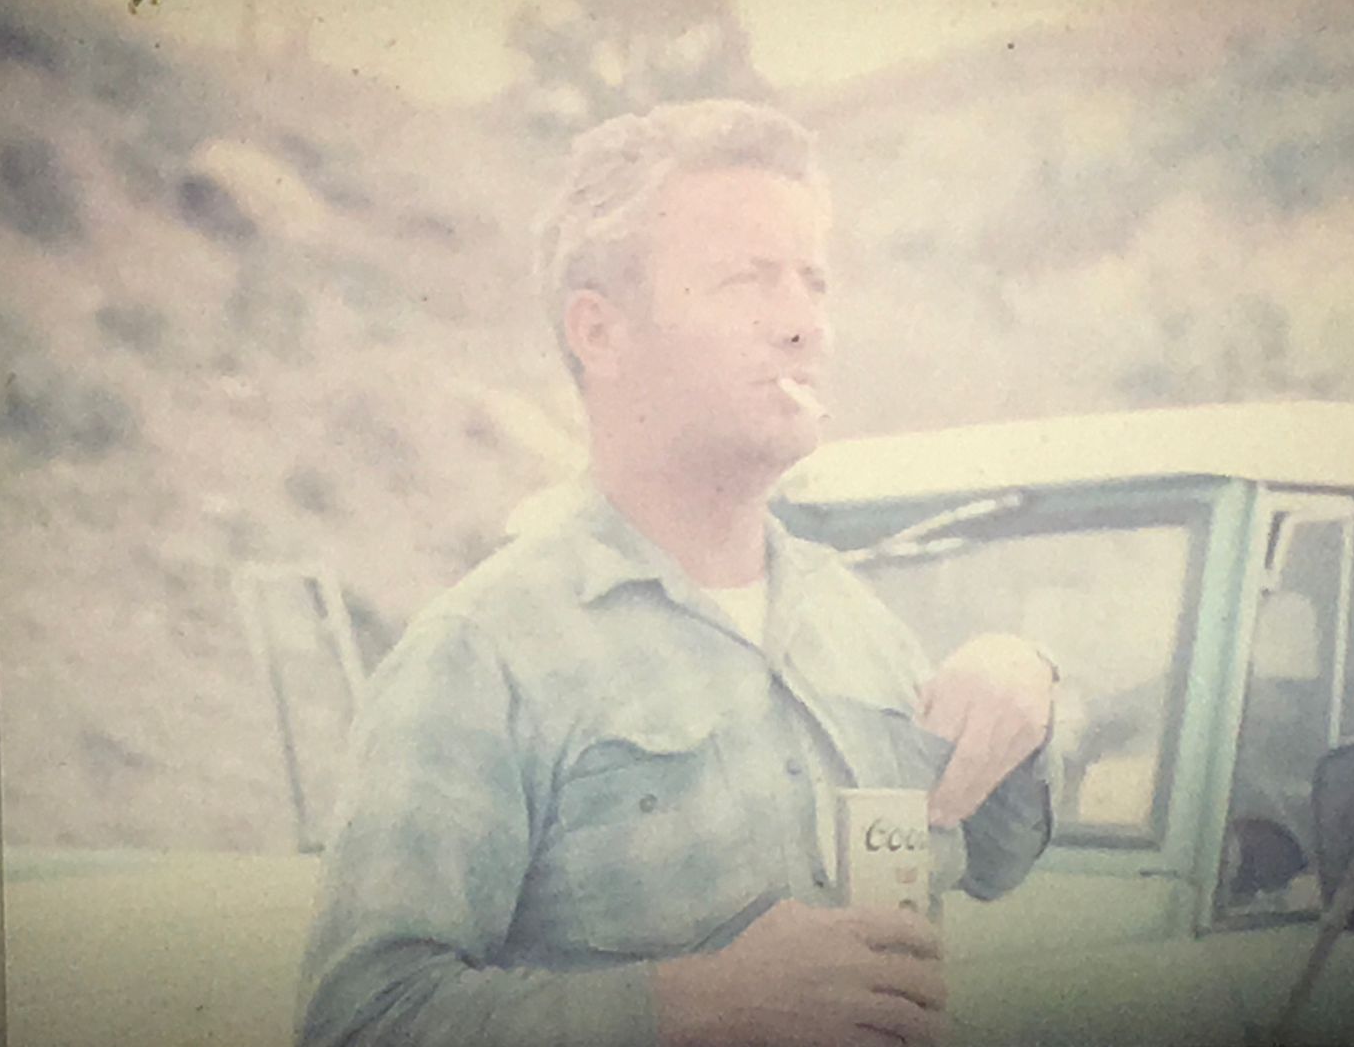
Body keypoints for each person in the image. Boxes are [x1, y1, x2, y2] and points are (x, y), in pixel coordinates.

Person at [294, 99, 1059, 1047]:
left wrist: (1026, 678)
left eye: (814, 283)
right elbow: (361, 1023)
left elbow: (997, 856)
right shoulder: (483, 655)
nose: (805, 326)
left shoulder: (853, 620)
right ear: (600, 333)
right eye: (747, 279)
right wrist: (692, 1008)